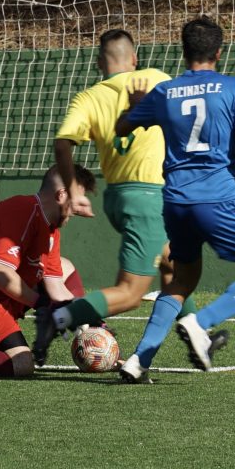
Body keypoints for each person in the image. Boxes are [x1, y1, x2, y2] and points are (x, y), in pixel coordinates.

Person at [111, 16, 235, 383]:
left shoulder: (164, 93)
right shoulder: (233, 88)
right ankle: (200, 323)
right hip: (217, 200)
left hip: (176, 202)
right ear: (219, 52)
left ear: (183, 51)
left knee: (181, 280)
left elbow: (121, 128)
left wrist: (135, 105)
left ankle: (138, 361)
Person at [35, 28, 175, 363]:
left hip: (116, 197)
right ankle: (59, 316)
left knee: (175, 263)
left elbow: (62, 144)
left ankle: (194, 333)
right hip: (148, 195)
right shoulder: (157, 79)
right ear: (135, 58)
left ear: (100, 62)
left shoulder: (88, 98)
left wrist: (73, 190)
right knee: (130, 293)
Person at [0, 165, 97, 379]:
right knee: (22, 363)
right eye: (77, 201)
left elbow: (56, 287)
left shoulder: (51, 230)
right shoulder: (22, 211)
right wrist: (42, 304)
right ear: (61, 195)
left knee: (64, 267)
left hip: (2, 298)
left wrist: (92, 325)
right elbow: (0, 274)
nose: (78, 209)